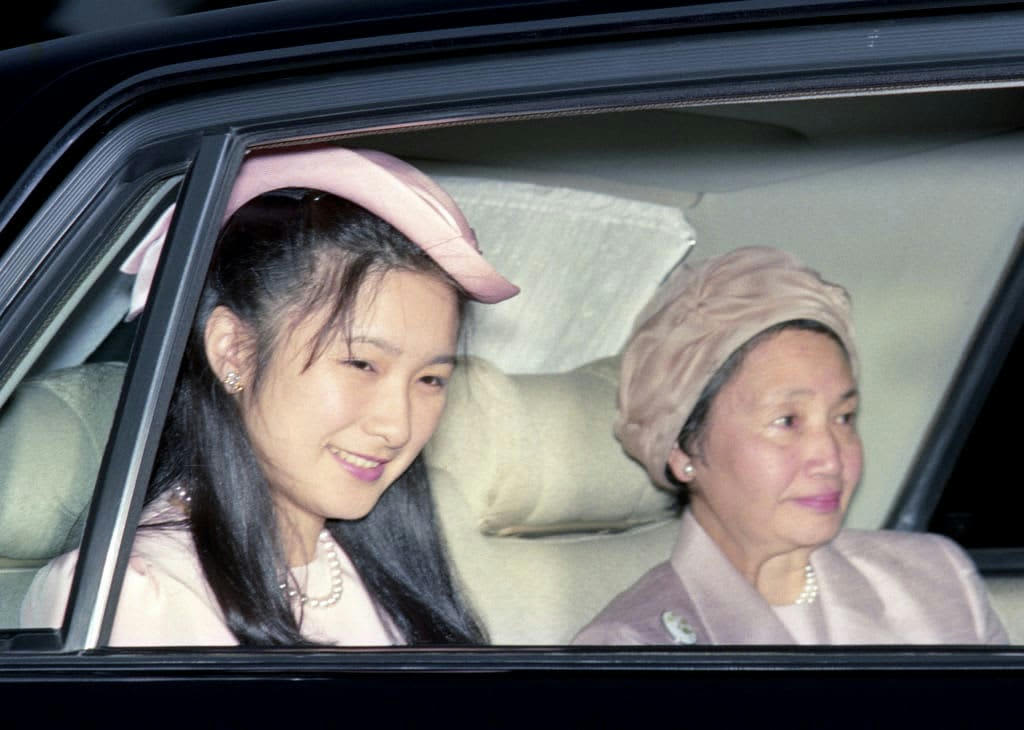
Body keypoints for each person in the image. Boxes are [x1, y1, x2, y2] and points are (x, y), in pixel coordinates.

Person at [21, 145, 518, 646]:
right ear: (234, 352)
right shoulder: (128, 597)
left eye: (431, 379)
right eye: (361, 364)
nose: (398, 427)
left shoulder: (391, 575)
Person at [573, 246, 1006, 645]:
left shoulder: (937, 578)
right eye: (787, 421)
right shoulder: (633, 647)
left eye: (843, 418)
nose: (831, 459)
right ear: (682, 451)